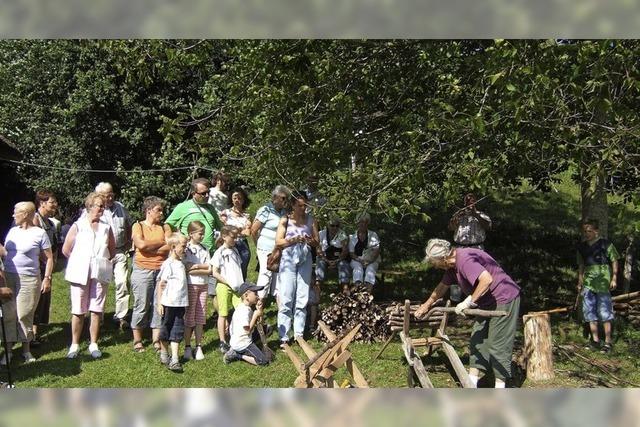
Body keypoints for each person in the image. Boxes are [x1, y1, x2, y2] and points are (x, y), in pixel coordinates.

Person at [415, 238, 521, 388]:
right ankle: (471, 383)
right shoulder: (452, 267)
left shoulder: (464, 260)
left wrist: (468, 302)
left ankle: (500, 386)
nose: (435, 266)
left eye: (435, 262)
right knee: (477, 340)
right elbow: (441, 287)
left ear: (444, 258)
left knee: (498, 344)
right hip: (486, 302)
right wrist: (426, 306)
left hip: (504, 298)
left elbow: (486, 280)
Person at [63, 193, 116, 359]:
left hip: (99, 271)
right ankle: (75, 344)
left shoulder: (106, 228)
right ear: (89, 206)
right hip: (80, 271)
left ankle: (94, 343)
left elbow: (112, 249)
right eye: (98, 205)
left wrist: (103, 260)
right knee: (78, 309)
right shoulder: (78, 226)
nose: (101, 209)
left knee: (96, 308)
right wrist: (80, 260)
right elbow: (66, 249)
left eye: (102, 206)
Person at [1, 202, 54, 365]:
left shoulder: (39, 234)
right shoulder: (12, 231)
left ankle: (26, 350)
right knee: (9, 314)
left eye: (15, 213)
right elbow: (5, 253)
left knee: (24, 314)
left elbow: (49, 258)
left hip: (29, 279)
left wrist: (47, 278)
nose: (13, 215)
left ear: (25, 214)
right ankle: (8, 351)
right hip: (9, 277)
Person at [276, 190, 320, 347]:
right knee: (287, 296)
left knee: (302, 296)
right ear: (293, 205)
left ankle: (299, 334)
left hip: (305, 258)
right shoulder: (285, 219)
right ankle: (283, 336)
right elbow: (278, 242)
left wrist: (309, 240)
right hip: (288, 258)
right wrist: (294, 239)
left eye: (305, 205)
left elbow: (317, 241)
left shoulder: (311, 220)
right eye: (300, 205)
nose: (303, 208)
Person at [130, 197, 172, 353]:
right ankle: (137, 339)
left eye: (162, 210)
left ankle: (156, 339)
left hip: (162, 270)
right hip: (143, 270)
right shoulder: (138, 226)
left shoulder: (165, 227)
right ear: (148, 211)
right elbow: (140, 245)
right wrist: (160, 244)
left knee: (158, 305)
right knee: (141, 304)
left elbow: (170, 245)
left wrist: (150, 247)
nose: (162, 213)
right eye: (158, 210)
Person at [89, 182, 133, 329]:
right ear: (99, 196)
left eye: (111, 194)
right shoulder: (94, 209)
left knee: (122, 282)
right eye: (106, 195)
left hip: (120, 251)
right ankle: (98, 317)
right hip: (102, 254)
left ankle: (121, 317)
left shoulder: (120, 207)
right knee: (101, 285)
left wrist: (128, 243)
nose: (110, 197)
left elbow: (129, 225)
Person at [577, 219, 619, 353]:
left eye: (589, 231)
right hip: (588, 282)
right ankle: (595, 340)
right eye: (585, 231)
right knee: (589, 311)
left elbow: (614, 260)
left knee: (604, 311)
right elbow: (581, 266)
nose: (587, 234)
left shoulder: (606, 244)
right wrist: (580, 281)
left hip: (602, 281)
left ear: (596, 231)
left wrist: (614, 277)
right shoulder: (582, 247)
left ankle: (608, 342)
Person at [156, 232, 189, 372]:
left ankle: (175, 359)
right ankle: (164, 353)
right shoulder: (168, 264)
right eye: (183, 246)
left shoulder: (180, 263)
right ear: (174, 247)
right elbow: (161, 284)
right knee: (166, 328)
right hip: (168, 303)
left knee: (177, 329)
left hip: (180, 304)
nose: (185, 249)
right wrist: (159, 302)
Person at [31, 189, 61, 346]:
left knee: (42, 301)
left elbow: (54, 246)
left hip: (46, 268)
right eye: (52, 202)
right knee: (35, 301)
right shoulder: (35, 220)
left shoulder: (50, 223)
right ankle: (30, 335)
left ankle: (35, 333)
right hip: (36, 269)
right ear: (42, 203)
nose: (55, 205)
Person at [251, 185, 290, 301]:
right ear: (275, 197)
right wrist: (257, 245)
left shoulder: (284, 212)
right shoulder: (266, 209)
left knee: (277, 274)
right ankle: (260, 301)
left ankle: (275, 298)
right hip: (265, 247)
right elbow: (254, 230)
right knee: (266, 274)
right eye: (283, 198)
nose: (285, 201)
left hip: (278, 248)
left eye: (286, 198)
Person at [210, 225, 244, 354]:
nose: (235, 239)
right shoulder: (220, 252)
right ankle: (223, 341)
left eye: (236, 237)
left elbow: (238, 268)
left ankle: (239, 336)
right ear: (224, 237)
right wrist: (228, 282)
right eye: (233, 237)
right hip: (224, 286)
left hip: (237, 287)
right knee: (223, 313)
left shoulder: (235, 250)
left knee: (241, 310)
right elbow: (215, 272)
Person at [166, 177, 222, 253]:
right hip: (190, 253)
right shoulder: (183, 207)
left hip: (209, 253)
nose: (207, 195)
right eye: (203, 193)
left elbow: (221, 228)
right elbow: (167, 225)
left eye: (208, 192)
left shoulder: (211, 208)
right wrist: (172, 240)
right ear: (193, 194)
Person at [313, 216, 350, 324]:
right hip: (324, 258)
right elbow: (318, 250)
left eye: (336, 226)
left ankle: (345, 295)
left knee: (344, 265)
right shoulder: (321, 234)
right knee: (319, 264)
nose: (334, 228)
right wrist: (327, 261)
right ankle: (317, 297)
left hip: (338, 258)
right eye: (332, 225)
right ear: (328, 226)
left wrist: (337, 261)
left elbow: (345, 251)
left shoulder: (342, 234)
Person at [183, 221, 211, 361]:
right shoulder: (186, 249)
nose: (202, 236)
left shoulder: (205, 249)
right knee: (190, 316)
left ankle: (198, 345)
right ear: (191, 234)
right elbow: (187, 268)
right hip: (191, 285)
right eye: (200, 233)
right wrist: (199, 268)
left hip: (203, 285)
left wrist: (196, 266)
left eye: (203, 233)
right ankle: (187, 346)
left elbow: (209, 268)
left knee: (201, 316)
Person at [223, 282, 269, 366]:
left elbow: (260, 324)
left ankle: (251, 349)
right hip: (242, 343)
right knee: (263, 362)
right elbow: (247, 330)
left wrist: (259, 311)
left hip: (243, 338)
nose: (257, 296)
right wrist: (255, 315)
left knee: (267, 328)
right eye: (255, 293)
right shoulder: (243, 311)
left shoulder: (247, 308)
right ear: (246, 295)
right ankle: (237, 355)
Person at [220, 187, 252, 279]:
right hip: (229, 244)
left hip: (242, 245)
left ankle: (241, 289)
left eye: (240, 198)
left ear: (244, 199)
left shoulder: (247, 215)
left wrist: (234, 230)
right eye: (235, 198)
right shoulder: (226, 213)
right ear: (231, 199)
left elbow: (247, 232)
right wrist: (239, 230)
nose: (237, 200)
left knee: (243, 269)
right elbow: (224, 229)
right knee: (229, 269)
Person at [348, 212, 381, 294]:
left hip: (372, 259)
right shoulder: (352, 237)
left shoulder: (373, 235)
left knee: (370, 270)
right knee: (357, 269)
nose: (362, 224)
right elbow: (351, 253)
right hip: (357, 259)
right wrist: (360, 260)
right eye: (360, 222)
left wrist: (369, 261)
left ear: (367, 223)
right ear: (357, 223)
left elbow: (376, 251)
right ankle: (358, 293)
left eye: (364, 222)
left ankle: (367, 294)